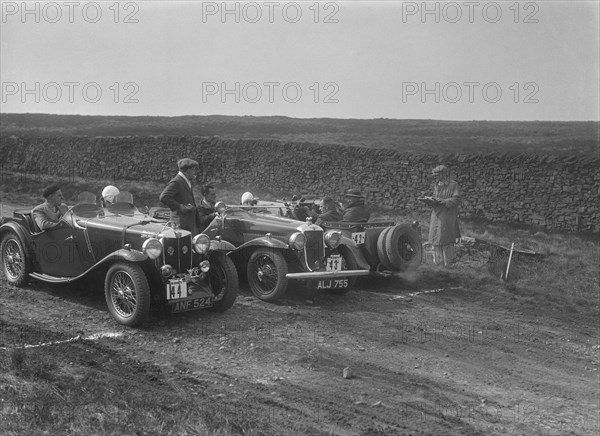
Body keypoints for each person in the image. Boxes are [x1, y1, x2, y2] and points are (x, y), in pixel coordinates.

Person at [428, 165, 461, 267]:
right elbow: (435, 198)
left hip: (447, 217)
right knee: (435, 238)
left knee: (446, 239)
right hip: (436, 216)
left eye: (436, 175)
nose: (435, 177)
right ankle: (438, 265)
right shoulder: (436, 185)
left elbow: (456, 200)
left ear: (443, 174)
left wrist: (443, 201)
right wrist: (430, 200)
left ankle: (449, 265)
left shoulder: (453, 185)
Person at [159, 158, 200, 234]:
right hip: (181, 225)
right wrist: (179, 206)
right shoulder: (177, 182)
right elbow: (164, 197)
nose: (194, 172)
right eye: (193, 170)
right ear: (188, 170)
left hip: (188, 224)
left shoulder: (185, 181)